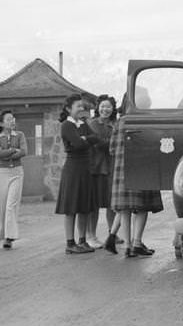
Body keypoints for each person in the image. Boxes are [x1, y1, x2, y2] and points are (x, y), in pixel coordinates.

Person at [110, 93, 164, 258]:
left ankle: (127, 246)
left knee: (125, 208)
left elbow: (111, 149)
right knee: (142, 208)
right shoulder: (145, 120)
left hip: (122, 170)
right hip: (142, 168)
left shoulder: (119, 123)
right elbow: (155, 144)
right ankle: (137, 243)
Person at [55, 94, 101, 254]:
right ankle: (70, 243)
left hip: (86, 168)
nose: (81, 109)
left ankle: (82, 240)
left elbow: (96, 138)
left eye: (82, 106)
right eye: (78, 106)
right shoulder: (66, 125)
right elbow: (78, 143)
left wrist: (85, 139)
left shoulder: (83, 124)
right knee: (71, 207)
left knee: (84, 207)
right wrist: (86, 140)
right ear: (69, 109)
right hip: (73, 170)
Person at [0, 110, 27, 249]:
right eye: (8, 119)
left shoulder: (20, 135)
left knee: (11, 205)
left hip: (17, 172)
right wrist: (13, 150)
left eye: (13, 118)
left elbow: (24, 151)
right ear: (1, 123)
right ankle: (1, 234)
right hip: (1, 173)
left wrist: (8, 152)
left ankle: (9, 237)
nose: (12, 121)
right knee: (1, 205)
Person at [86, 95, 117, 250]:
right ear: (98, 108)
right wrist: (112, 143)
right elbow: (98, 144)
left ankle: (113, 233)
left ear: (113, 109)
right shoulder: (91, 124)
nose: (105, 109)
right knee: (95, 204)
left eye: (109, 106)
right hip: (96, 167)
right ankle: (91, 235)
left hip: (112, 166)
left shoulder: (115, 124)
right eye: (103, 106)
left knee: (112, 202)